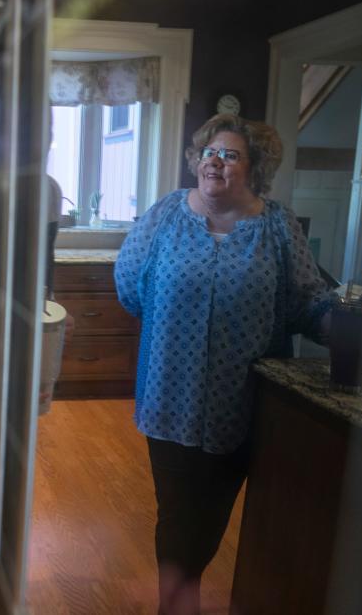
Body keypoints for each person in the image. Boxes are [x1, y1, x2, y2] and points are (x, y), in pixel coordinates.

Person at [114, 114, 331, 615]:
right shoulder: (167, 213)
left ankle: (185, 584)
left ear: (254, 168)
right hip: (169, 394)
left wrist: (353, 327)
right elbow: (129, 281)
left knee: (212, 511)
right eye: (208, 152)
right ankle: (179, 600)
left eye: (230, 154)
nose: (214, 161)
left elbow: (306, 301)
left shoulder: (277, 226)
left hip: (243, 403)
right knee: (175, 510)